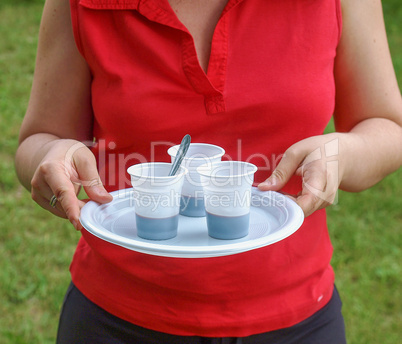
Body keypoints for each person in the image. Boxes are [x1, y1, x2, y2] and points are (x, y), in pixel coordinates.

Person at [15, 0, 402, 343]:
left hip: (295, 317)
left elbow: (387, 126)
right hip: (118, 318)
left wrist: (342, 153)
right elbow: (39, 139)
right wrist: (53, 153)